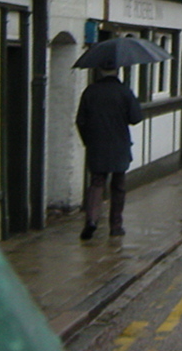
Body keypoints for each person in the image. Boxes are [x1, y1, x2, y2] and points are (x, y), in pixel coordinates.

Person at [75, 61, 143, 240]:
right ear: (117, 71)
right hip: (119, 145)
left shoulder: (90, 92)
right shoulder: (125, 92)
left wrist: (88, 141)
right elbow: (136, 118)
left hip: (97, 145)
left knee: (96, 183)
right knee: (118, 186)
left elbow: (80, 120)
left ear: (99, 70)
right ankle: (116, 226)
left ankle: (91, 220)